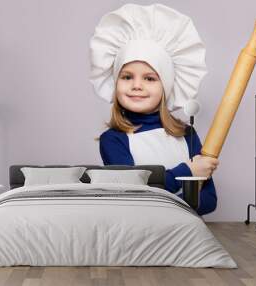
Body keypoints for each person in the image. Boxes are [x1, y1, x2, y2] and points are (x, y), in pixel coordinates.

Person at [89, 3, 219, 215]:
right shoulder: (113, 140)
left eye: (149, 78)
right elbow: (135, 195)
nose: (137, 85)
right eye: (127, 76)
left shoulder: (188, 135)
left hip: (184, 235)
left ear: (165, 86)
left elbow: (209, 200)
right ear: (116, 82)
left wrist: (164, 197)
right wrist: (187, 173)